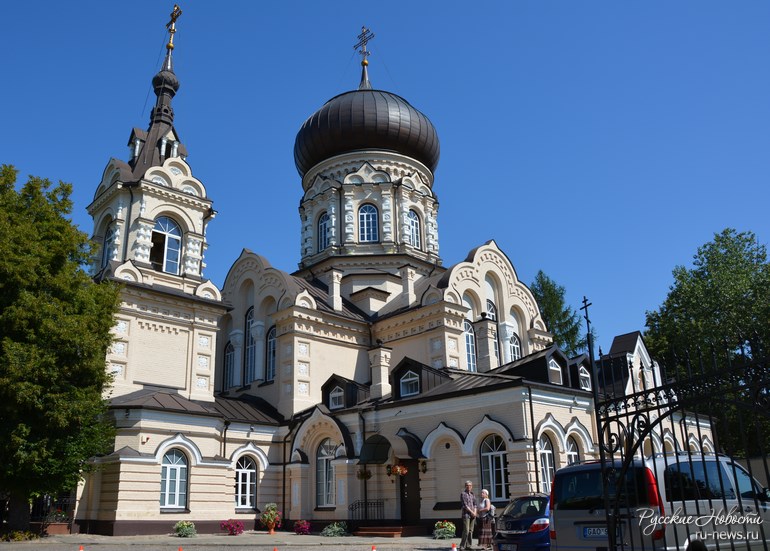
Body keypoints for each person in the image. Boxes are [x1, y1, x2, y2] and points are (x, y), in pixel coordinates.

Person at [460, 480, 477, 550]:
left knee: (471, 531)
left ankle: (468, 546)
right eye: (467, 485)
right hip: (466, 515)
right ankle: (462, 546)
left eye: (470, 485)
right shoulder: (463, 494)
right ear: (465, 486)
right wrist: (472, 512)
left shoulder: (472, 494)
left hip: (473, 515)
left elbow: (475, 504)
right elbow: (465, 505)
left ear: (471, 486)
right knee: (466, 530)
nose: (469, 487)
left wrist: (475, 512)